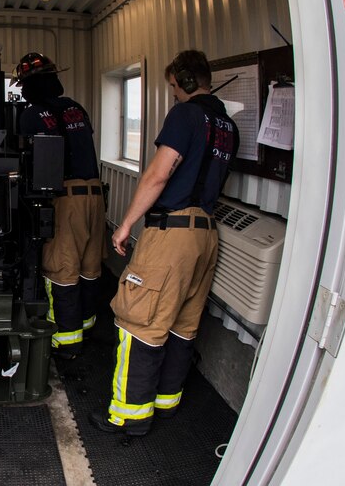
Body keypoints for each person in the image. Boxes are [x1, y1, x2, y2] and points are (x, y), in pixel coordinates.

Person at [89, 49, 239, 436]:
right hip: (207, 236)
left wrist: (125, 225)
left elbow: (158, 175)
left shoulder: (186, 114)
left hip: (173, 234)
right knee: (182, 324)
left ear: (186, 82)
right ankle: (166, 402)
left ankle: (129, 415)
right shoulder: (226, 125)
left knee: (139, 321)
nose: (172, 93)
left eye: (173, 86)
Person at [13, 52, 105, 360]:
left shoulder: (30, 114)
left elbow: (29, 161)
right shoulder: (76, 109)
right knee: (90, 266)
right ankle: (88, 326)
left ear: (27, 85)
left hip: (66, 199)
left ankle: (65, 343)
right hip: (95, 195)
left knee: (62, 269)